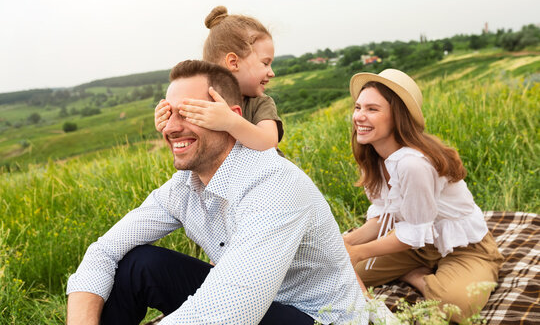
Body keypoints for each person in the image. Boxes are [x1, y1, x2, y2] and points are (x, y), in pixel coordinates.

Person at [66, 60, 370, 325]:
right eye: (167, 113)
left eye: (189, 112)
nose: (171, 127)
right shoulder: (183, 187)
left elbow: (227, 315)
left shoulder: (274, 183)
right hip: (252, 306)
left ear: (231, 117)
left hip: (315, 317)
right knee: (140, 264)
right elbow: (103, 251)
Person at [343, 69, 504, 322]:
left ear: (397, 117)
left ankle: (416, 275)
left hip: (463, 246)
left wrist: (359, 252)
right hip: (416, 246)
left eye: (372, 109)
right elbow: (384, 216)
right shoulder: (373, 155)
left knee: (455, 307)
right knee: (342, 273)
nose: (359, 116)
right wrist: (348, 244)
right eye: (358, 107)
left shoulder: (413, 164)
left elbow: (413, 233)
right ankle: (420, 269)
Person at [155, 6, 284, 154]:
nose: (271, 72)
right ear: (233, 62)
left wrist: (229, 121)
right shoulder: (203, 102)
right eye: (265, 63)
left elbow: (269, 143)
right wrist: (167, 121)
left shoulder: (260, 103)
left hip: (266, 175)